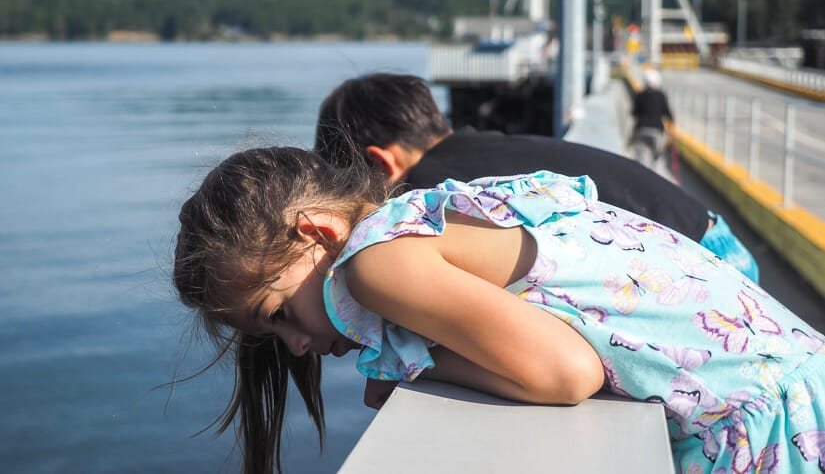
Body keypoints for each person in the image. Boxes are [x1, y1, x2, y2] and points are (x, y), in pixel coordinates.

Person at [173, 146, 825, 474]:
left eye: (278, 311)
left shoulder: (375, 263)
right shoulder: (431, 213)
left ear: (315, 233)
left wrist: (412, 374)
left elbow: (566, 373)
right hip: (784, 381)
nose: (291, 345)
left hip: (766, 426)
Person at [314, 73, 760, 283]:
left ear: (381, 164)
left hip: (699, 260)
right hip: (705, 231)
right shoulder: (487, 146)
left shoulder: (430, 192)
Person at [630, 68, 674, 172]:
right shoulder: (661, 95)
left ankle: (642, 180)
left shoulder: (640, 95)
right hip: (657, 131)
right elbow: (668, 114)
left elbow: (634, 113)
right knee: (656, 160)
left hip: (641, 129)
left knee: (641, 160)